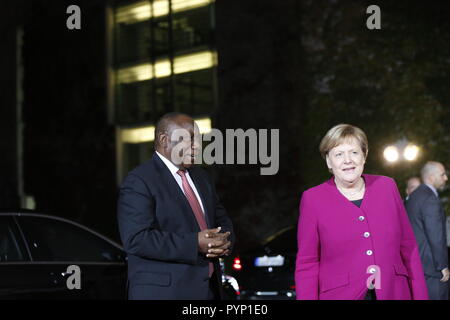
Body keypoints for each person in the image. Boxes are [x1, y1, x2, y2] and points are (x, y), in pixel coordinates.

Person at [295, 124, 428, 300]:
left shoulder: (387, 186)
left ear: (364, 156)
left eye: (354, 152)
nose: (347, 160)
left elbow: (408, 247)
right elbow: (308, 262)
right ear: (329, 161)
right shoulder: (313, 199)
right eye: (339, 154)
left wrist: (420, 295)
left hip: (394, 292)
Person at [117, 112, 234, 300]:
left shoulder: (202, 177)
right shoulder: (139, 180)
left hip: (209, 291)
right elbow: (137, 238)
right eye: (189, 138)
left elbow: (221, 220)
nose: (197, 146)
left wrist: (225, 241)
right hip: (165, 293)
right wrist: (195, 243)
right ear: (164, 140)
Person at [405, 161, 449, 300]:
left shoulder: (414, 196)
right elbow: (436, 236)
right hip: (432, 267)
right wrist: (442, 266)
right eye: (442, 175)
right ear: (431, 177)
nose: (446, 178)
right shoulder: (430, 198)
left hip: (418, 263)